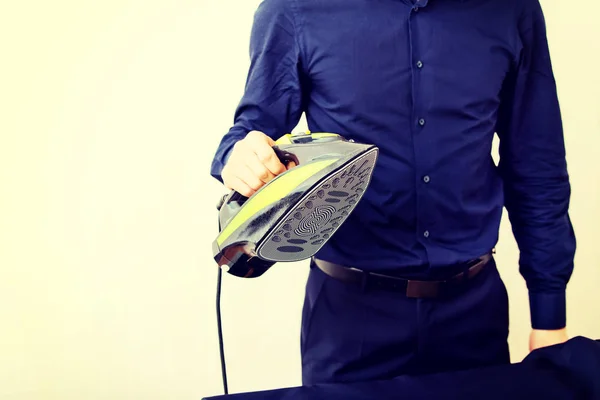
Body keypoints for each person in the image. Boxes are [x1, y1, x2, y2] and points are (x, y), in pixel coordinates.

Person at [209, 0, 577, 386]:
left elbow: (537, 165)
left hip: (473, 315)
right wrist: (237, 157)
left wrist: (549, 314)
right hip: (350, 322)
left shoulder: (511, 10)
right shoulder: (293, 10)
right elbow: (251, 131)